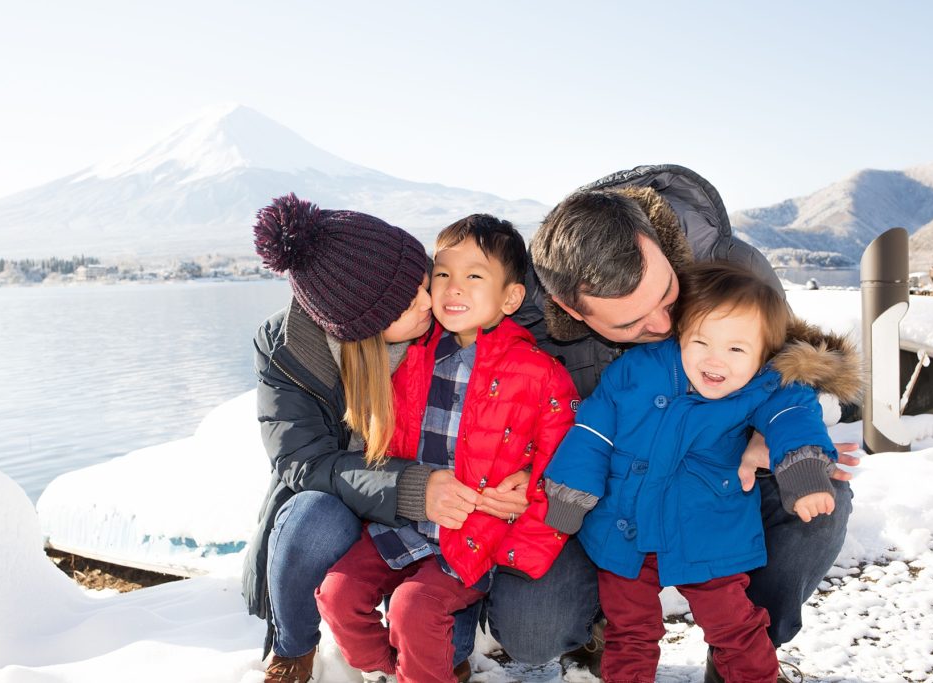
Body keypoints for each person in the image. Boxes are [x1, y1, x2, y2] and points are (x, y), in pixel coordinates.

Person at [492, 169, 860, 680]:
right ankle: (599, 631)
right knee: (562, 629)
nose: (665, 327)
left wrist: (784, 449)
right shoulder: (527, 318)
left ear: (657, 244)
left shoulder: (731, 268)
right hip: (617, 507)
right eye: (630, 322)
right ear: (567, 309)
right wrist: (548, 484)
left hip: (715, 494)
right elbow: (568, 427)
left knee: (819, 508)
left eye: (667, 295)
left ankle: (749, 651)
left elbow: (790, 380)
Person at [242, 196, 525, 683]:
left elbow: (521, 360)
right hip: (343, 500)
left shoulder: (446, 324)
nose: (429, 301)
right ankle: (293, 649)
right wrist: (413, 488)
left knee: (444, 646)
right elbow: (303, 462)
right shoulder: (288, 349)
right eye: (408, 300)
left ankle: (418, 640)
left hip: (435, 525)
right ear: (363, 326)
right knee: (311, 515)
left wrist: (522, 468)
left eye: (424, 281)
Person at [543, 262, 862, 682]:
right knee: (630, 630)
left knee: (734, 624)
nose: (716, 360)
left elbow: (792, 416)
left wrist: (803, 470)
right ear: (680, 332)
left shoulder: (765, 385)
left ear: (765, 353)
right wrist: (570, 492)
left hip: (707, 526)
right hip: (627, 526)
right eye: (701, 341)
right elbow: (592, 433)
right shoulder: (635, 371)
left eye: (736, 349)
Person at [315, 214, 579, 683]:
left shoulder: (541, 373)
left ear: (512, 296)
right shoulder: (408, 354)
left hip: (474, 537)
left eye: (474, 276)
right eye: (443, 274)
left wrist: (522, 542)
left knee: (413, 608)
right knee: (337, 593)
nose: (454, 288)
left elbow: (568, 471)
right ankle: (398, 672)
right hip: (402, 522)